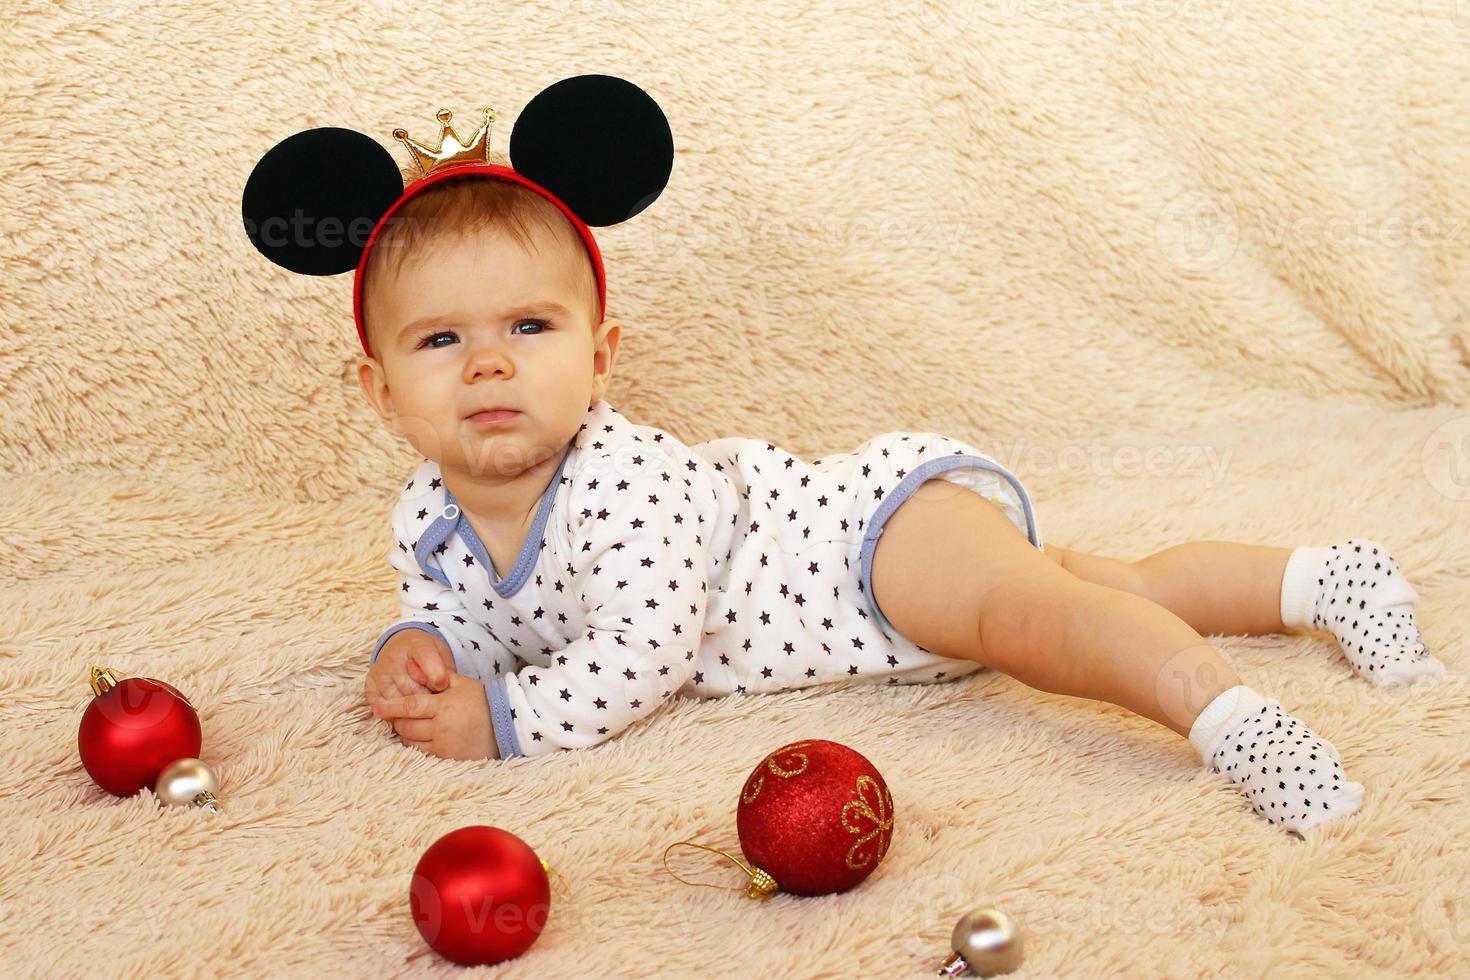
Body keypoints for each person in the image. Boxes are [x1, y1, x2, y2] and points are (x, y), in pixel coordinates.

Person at [356, 167, 1445, 837]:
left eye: (529, 328)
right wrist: (421, 647)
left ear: (600, 358)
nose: (489, 365)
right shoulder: (427, 512)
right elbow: (459, 610)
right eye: (442, 339)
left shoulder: (618, 478)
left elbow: (643, 648)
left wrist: (501, 721)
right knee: (1118, 586)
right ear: (382, 387)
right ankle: (1323, 576)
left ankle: (1239, 725)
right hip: (870, 607)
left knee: (1041, 623)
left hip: (857, 547)